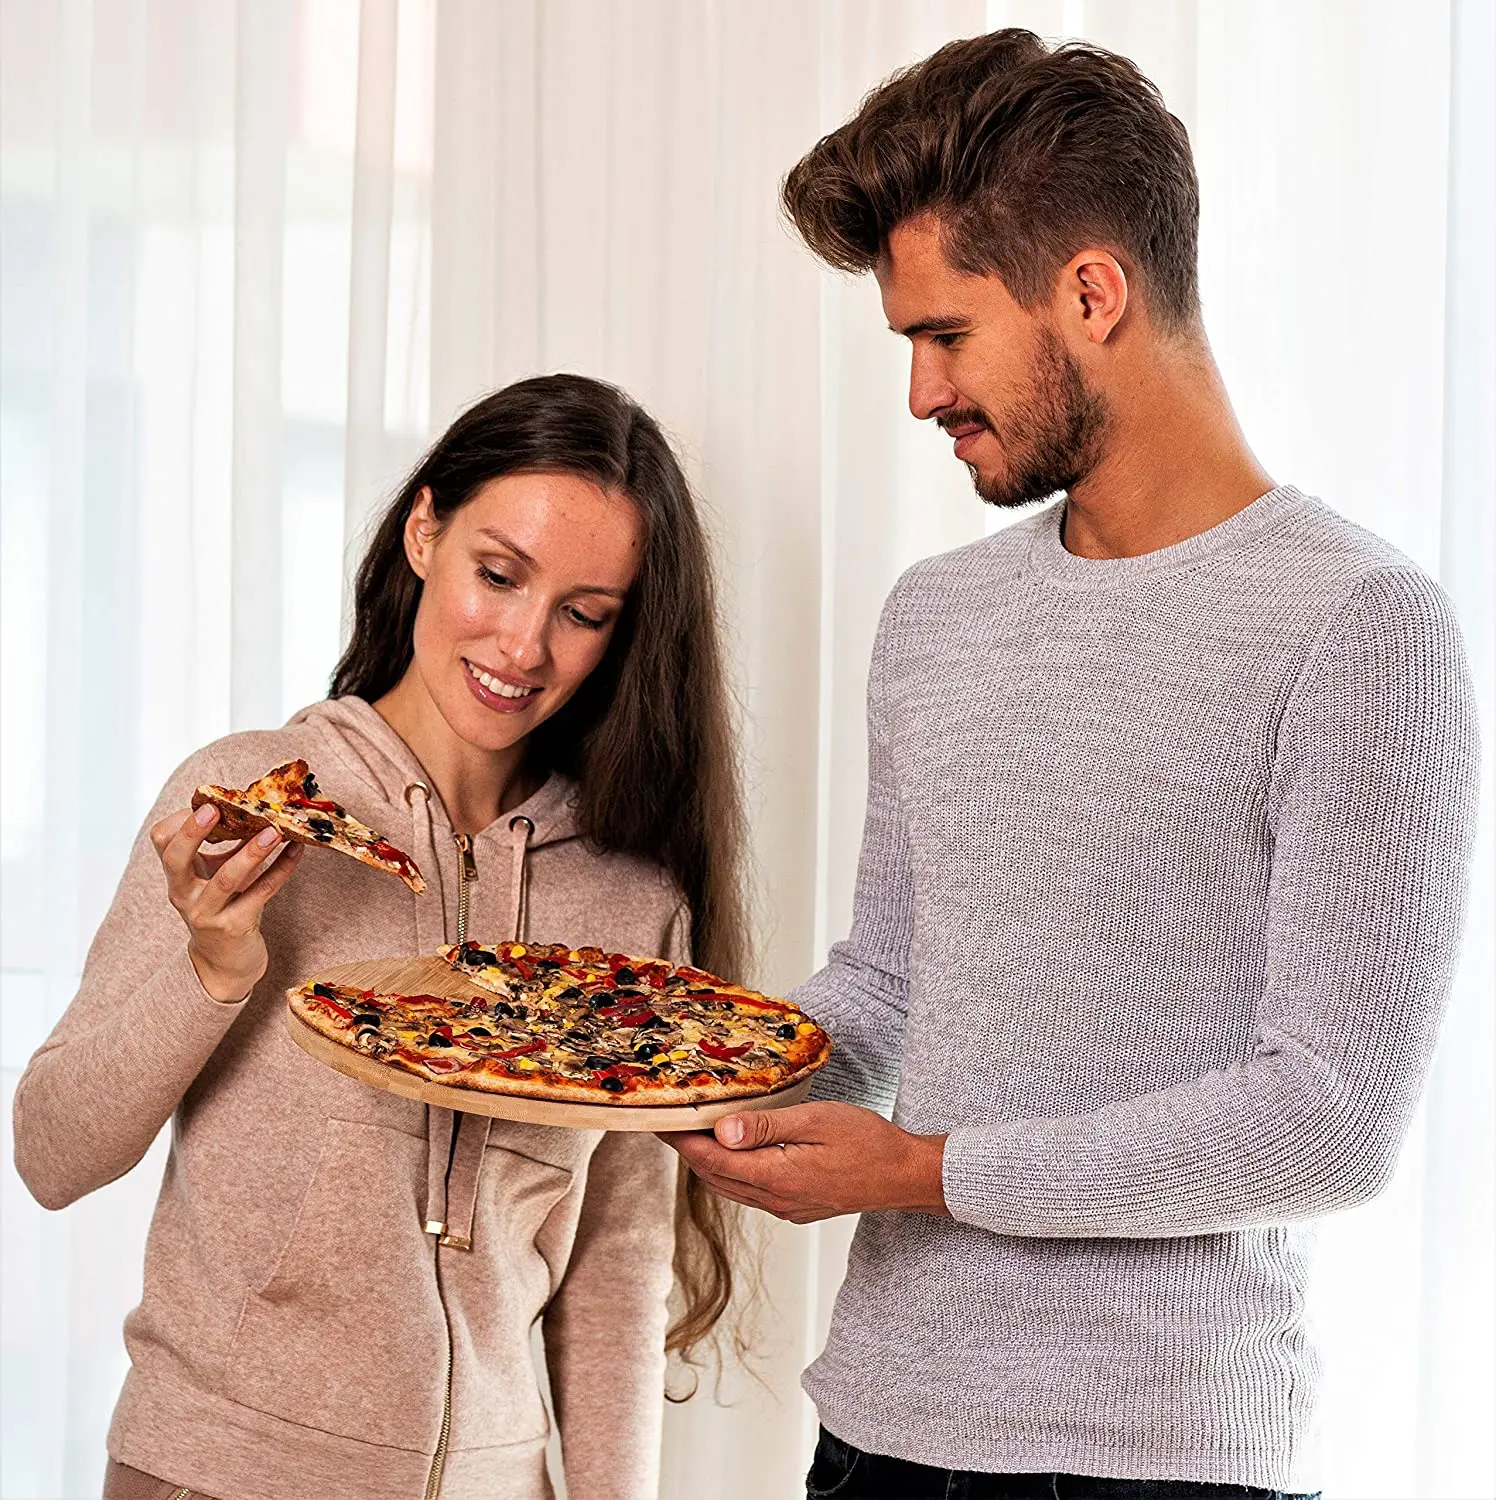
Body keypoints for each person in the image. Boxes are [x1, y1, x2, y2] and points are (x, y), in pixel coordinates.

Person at [668, 29, 1480, 1500]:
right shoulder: (938, 617)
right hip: (878, 1431)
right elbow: (886, 989)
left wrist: (922, 1173)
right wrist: (662, 1072)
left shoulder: (1359, 627)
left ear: (1091, 294)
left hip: (1161, 1460)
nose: (920, 393)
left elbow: (1330, 1119)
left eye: (945, 335)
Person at [13, 373, 748, 1500]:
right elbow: (54, 1154)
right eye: (498, 574)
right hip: (215, 1474)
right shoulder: (249, 802)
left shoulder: (627, 901)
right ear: (423, 532)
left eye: (584, 613)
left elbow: (615, 1261)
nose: (524, 644)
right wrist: (212, 971)